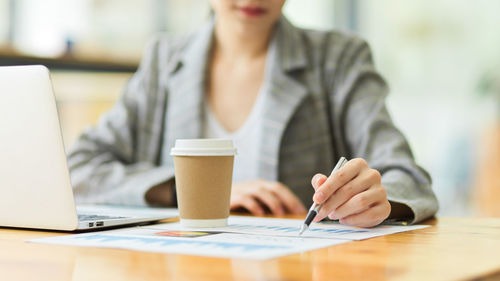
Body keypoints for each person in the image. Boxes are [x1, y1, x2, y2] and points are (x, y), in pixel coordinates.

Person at [67, 0, 438, 227]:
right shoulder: (164, 60)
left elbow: (408, 176)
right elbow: (80, 168)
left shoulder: (338, 58)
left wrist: (379, 201)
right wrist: (191, 190)